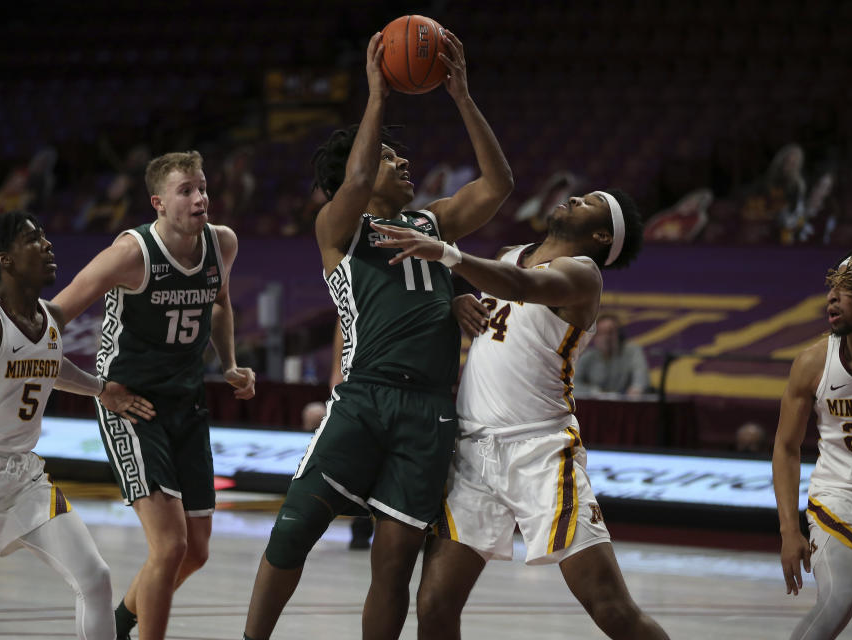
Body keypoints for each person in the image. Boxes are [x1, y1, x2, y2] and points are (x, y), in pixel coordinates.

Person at [243, 29, 513, 640]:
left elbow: (498, 187)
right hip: (363, 398)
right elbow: (359, 178)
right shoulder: (338, 229)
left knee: (392, 569)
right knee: (292, 533)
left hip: (430, 412)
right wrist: (376, 97)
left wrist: (463, 97)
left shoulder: (433, 221)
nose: (405, 162)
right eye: (393, 157)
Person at [373, 189, 669, 639]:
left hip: (541, 451)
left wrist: (447, 254)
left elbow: (522, 287)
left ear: (601, 234)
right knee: (433, 604)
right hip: (473, 453)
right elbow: (498, 288)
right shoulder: (508, 256)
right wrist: (455, 302)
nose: (573, 197)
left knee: (610, 607)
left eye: (588, 201)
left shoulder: (583, 275)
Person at [0, 211, 156, 639]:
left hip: (21, 476)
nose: (48, 246)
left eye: (45, 236)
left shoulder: (47, 318)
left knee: (94, 577)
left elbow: (49, 365)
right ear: (5, 259)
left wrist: (101, 389)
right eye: (33, 240)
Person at [51, 151, 257, 640]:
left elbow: (221, 303)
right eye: (186, 190)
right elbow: (51, 320)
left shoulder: (221, 243)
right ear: (159, 203)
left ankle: (121, 622)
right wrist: (99, 390)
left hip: (186, 402)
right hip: (132, 404)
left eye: (203, 187)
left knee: (196, 551)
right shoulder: (131, 253)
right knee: (168, 547)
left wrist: (227, 362)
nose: (200, 197)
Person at [773, 246, 852, 639]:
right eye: (832, 288)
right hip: (841, 499)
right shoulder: (813, 363)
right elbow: (786, 448)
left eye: (848, 288)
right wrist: (789, 531)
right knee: (838, 597)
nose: (832, 296)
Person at [577, 313, 650, 397]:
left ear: (619, 335)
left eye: (610, 332)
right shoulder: (588, 357)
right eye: (601, 333)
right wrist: (593, 391)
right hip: (596, 404)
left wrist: (637, 389)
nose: (606, 337)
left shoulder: (632, 351)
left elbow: (641, 379)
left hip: (624, 404)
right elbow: (572, 384)